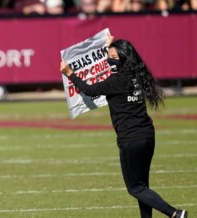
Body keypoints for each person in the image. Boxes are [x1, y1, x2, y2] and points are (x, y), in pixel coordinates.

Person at [60, 36, 188, 218]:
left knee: (135, 188)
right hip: (147, 135)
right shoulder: (135, 74)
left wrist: (69, 72)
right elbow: (116, 64)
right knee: (143, 186)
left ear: (122, 59)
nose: (108, 59)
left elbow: (90, 90)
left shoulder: (116, 82)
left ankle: (175, 213)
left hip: (130, 139)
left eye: (112, 57)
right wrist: (108, 46)